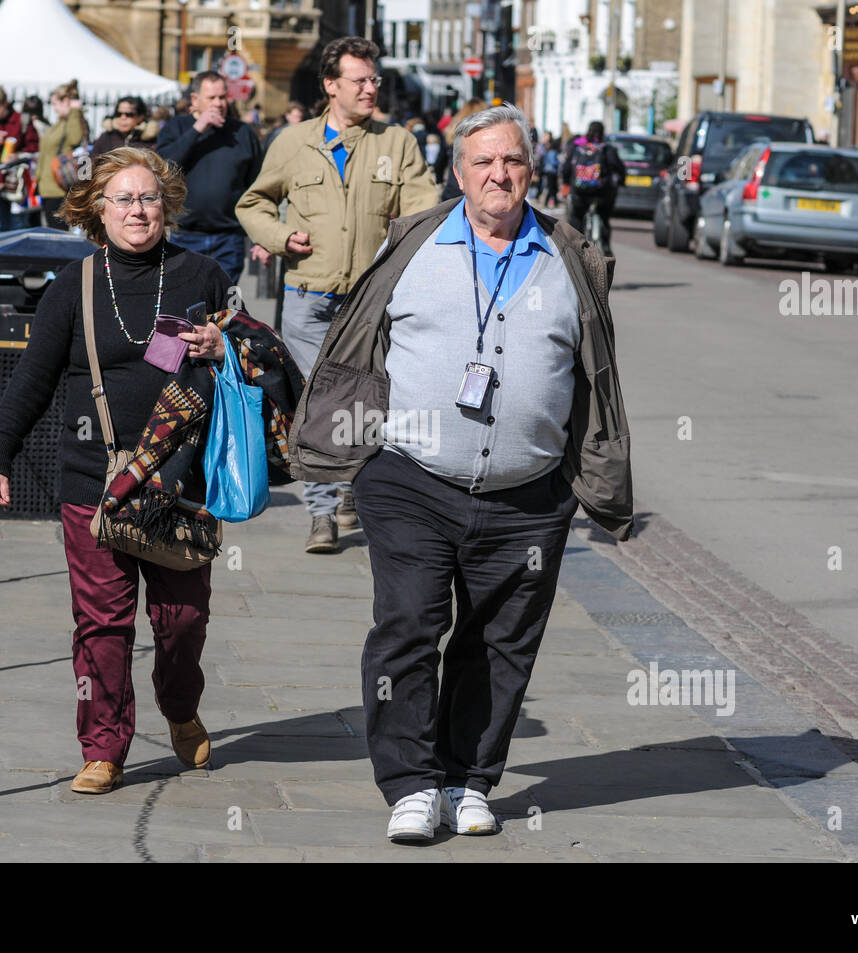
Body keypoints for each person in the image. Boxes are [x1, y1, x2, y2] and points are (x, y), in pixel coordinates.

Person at [286, 104, 632, 842]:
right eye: (482, 162)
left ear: (531, 170)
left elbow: (595, 375)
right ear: (458, 172)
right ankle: (410, 783)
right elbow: (357, 345)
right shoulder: (412, 243)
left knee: (501, 640)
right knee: (409, 624)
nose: (497, 175)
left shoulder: (572, 255)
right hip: (410, 477)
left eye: (511, 161)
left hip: (530, 493)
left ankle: (468, 778)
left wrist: (594, 478)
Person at [0, 147, 234, 795]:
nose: (138, 210)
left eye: (148, 197)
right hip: (92, 480)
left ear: (167, 204)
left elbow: (259, 356)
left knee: (182, 619)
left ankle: (179, 705)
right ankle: (103, 745)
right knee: (102, 624)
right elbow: (32, 381)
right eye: (123, 198)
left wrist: (224, 346)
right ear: (98, 208)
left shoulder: (202, 275)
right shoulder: (74, 287)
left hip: (176, 482)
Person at [236, 35, 438, 554]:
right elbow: (252, 204)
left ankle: (350, 488)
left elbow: (426, 206)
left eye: (375, 79)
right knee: (316, 400)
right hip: (308, 295)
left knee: (368, 400)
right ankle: (322, 514)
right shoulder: (293, 141)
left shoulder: (398, 143)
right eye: (361, 80)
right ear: (331, 86)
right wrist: (281, 238)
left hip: (371, 301)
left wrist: (404, 234)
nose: (372, 88)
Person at [155, 70, 264, 285]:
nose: (218, 103)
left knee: (221, 310)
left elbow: (257, 187)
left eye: (222, 97)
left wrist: (260, 238)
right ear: (195, 100)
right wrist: (198, 129)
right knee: (185, 305)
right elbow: (163, 168)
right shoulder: (177, 128)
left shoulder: (242, 133)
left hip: (228, 237)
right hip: (185, 235)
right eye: (211, 98)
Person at [562, 121, 625, 255]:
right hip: (602, 193)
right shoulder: (607, 149)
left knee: (577, 218)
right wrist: (621, 182)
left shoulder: (578, 148)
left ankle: (575, 247)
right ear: (603, 133)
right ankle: (606, 246)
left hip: (580, 192)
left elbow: (566, 168)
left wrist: (566, 182)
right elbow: (619, 168)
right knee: (604, 217)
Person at [37, 80, 88, 230]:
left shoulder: (73, 120)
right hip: (48, 185)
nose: (54, 108)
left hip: (58, 186)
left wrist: (74, 111)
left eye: (55, 104)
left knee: (58, 232)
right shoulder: (60, 123)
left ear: (66, 101)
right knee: (51, 229)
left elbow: (75, 138)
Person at [92, 97, 156, 156]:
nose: (123, 117)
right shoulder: (106, 137)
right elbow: (91, 162)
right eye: (118, 114)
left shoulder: (150, 140)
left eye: (129, 114)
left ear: (140, 117)